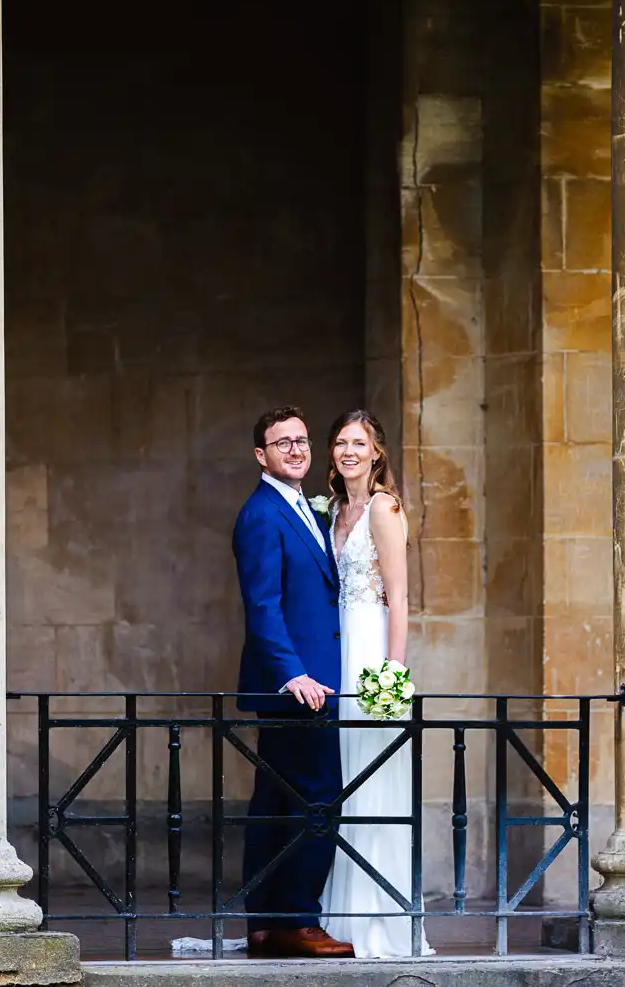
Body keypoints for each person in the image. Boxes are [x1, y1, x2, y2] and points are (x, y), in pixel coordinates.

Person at [231, 406, 354, 959]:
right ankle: (300, 920)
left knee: (276, 801)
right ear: (262, 455)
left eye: (303, 440)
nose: (297, 450)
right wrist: (293, 675)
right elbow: (263, 606)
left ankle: (265, 921)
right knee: (319, 797)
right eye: (283, 443)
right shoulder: (261, 514)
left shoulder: (305, 507)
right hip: (298, 687)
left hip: (312, 679)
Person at [317, 409, 433, 959]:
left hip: (372, 656)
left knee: (374, 783)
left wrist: (393, 672)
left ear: (376, 451)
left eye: (357, 442)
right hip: (340, 653)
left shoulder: (384, 509)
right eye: (340, 442)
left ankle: (379, 918)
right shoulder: (334, 510)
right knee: (344, 784)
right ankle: (339, 916)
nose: (347, 451)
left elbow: (400, 596)